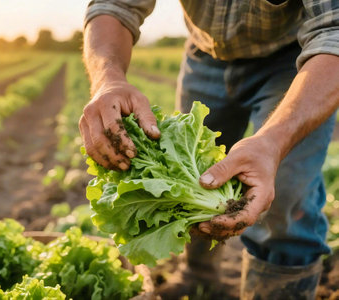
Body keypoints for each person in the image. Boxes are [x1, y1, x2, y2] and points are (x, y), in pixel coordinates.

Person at [79, 1, 339, 298]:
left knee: (287, 188)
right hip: (205, 55)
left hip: (298, 60)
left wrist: (273, 142)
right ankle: (200, 276)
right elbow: (114, 5)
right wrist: (106, 80)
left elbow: (334, 30)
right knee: (194, 172)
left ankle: (277, 292)